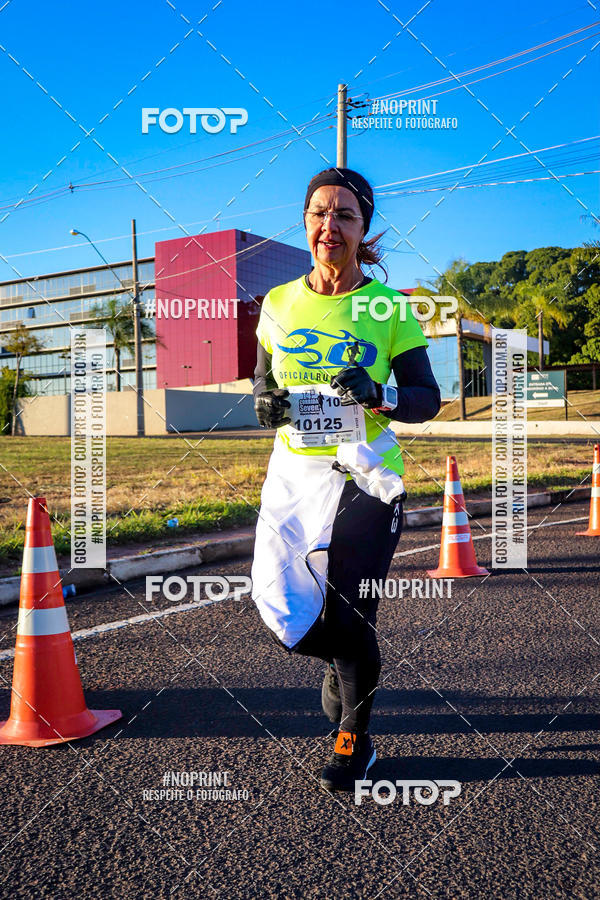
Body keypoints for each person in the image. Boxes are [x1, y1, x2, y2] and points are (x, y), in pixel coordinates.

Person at [251, 167, 441, 792]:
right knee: (277, 604)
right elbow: (263, 383)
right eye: (319, 212)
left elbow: (427, 398)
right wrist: (265, 404)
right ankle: (343, 660)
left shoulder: (389, 307)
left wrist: (380, 392)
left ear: (364, 229)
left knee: (353, 613)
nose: (329, 225)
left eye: (345, 215)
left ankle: (354, 738)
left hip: (367, 479)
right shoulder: (278, 303)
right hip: (293, 476)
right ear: (305, 221)